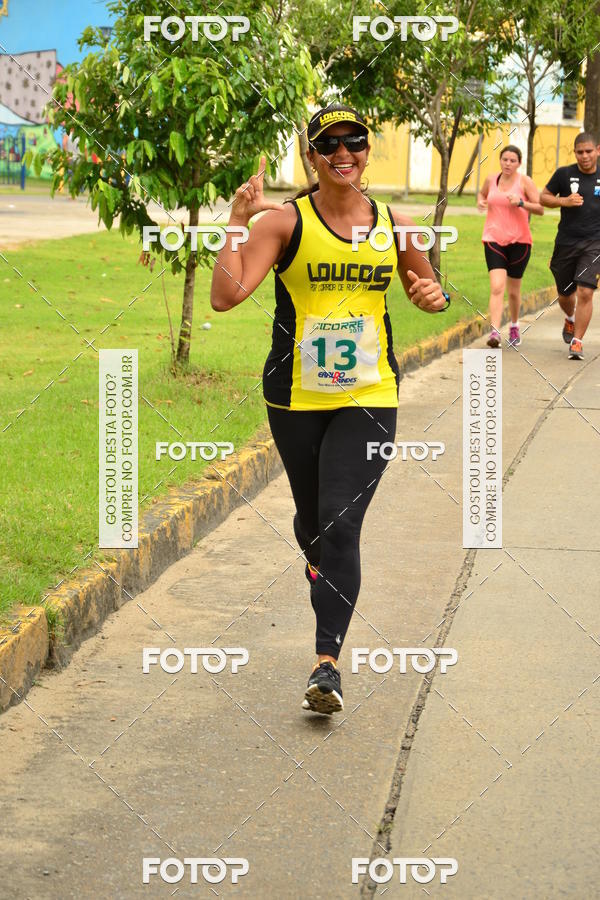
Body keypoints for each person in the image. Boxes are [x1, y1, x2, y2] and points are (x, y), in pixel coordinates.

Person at [210, 104, 448, 714]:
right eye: (329, 143)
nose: (344, 153)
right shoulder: (285, 223)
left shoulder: (397, 226)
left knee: (340, 522)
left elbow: (430, 293)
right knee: (312, 521)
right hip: (295, 396)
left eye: (355, 141)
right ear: (312, 155)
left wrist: (431, 294)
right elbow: (225, 297)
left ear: (369, 150)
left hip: (369, 396)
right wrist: (238, 221)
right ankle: (323, 573)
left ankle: (326, 665)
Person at [541, 132, 600, 359]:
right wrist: (563, 201)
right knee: (565, 295)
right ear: (574, 152)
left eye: (588, 151)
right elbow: (543, 197)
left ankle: (577, 341)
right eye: (579, 152)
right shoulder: (564, 174)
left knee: (586, 291)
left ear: (597, 150)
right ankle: (570, 318)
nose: (584, 156)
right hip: (566, 242)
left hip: (594, 244)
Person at [477, 145, 543, 348]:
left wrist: (521, 202)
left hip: (520, 241)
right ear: (500, 160)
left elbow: (540, 208)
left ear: (519, 163)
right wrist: (481, 202)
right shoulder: (491, 179)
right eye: (504, 159)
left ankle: (514, 325)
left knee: (513, 291)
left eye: (512, 160)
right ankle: (495, 332)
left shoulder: (525, 182)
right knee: (497, 287)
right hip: (493, 238)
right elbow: (482, 194)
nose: (508, 163)